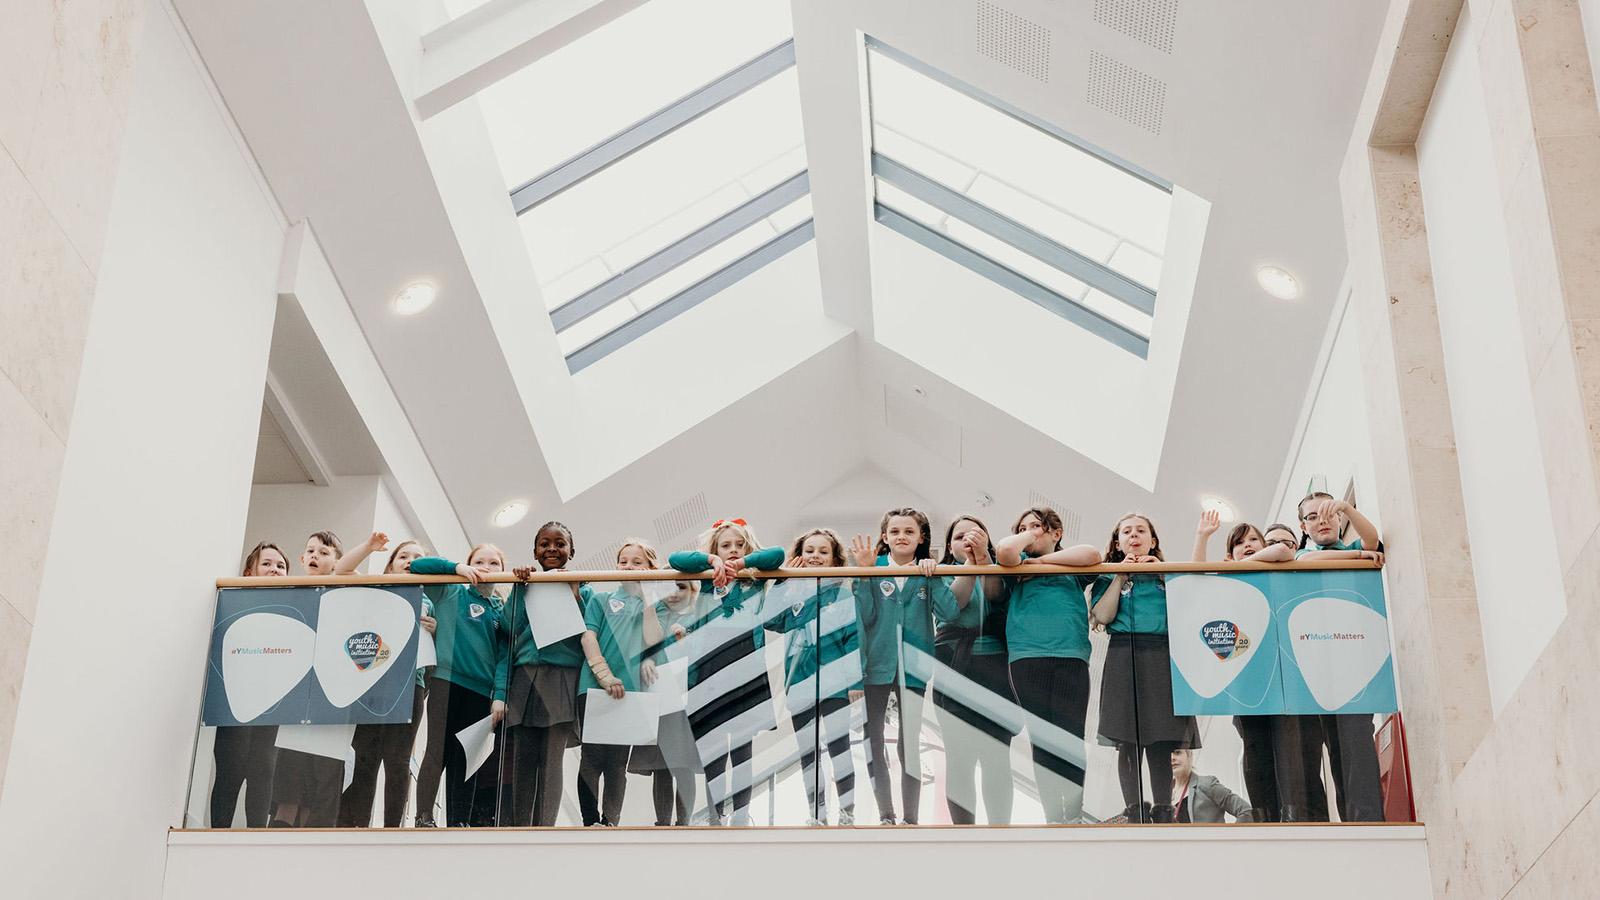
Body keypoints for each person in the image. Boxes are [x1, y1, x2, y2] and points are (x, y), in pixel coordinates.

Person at [1195, 516, 1325, 822]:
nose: (1247, 546)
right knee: (1256, 750)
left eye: (1252, 540)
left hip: (1283, 676)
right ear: (1229, 555)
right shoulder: (1226, 584)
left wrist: (1242, 562)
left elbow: (1283, 551)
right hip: (1247, 680)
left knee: (1290, 747)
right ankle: (1265, 814)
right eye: (1239, 544)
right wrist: (1203, 537)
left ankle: (1295, 812)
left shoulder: (1277, 567)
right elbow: (1194, 577)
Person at [669, 519, 785, 826]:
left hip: (745, 662)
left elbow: (778, 554)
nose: (733, 550)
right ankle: (715, 813)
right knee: (715, 743)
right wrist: (712, 562)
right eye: (726, 545)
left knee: (743, 744)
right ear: (716, 549)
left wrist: (743, 562)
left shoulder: (754, 580)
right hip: (711, 663)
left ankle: (742, 813)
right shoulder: (707, 580)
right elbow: (675, 560)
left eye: (739, 544)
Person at [994, 507, 1102, 825]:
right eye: (1023, 528)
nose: (1030, 531)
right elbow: (1005, 550)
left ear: (1056, 534)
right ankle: (1053, 816)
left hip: (1070, 656)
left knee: (1070, 738)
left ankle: (1074, 813)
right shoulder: (1014, 566)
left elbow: (1092, 553)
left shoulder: (1069, 566)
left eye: (1038, 527)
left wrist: (1041, 561)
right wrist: (1029, 536)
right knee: (1042, 739)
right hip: (1027, 657)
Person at [1089, 513, 1199, 824]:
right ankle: (1135, 808)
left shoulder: (1168, 575)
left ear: (1153, 541)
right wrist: (1122, 576)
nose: (1134, 535)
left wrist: (1164, 576)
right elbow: (1103, 616)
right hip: (1124, 653)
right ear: (1118, 541)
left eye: (1141, 531)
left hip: (1162, 653)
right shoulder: (1107, 575)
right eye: (1126, 531)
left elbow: (1189, 611)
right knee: (1127, 736)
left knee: (1162, 737)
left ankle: (1163, 808)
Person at [849, 507, 950, 825]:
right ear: (885, 537)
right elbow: (862, 617)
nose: (901, 536)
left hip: (914, 671)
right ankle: (886, 814)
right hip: (875, 667)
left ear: (921, 538)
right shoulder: (873, 566)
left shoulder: (927, 570)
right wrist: (864, 575)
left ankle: (911, 818)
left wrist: (935, 577)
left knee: (910, 744)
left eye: (909, 531)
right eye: (895, 531)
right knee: (873, 742)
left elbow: (949, 613)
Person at [334, 537, 437, 827]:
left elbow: (435, 658)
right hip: (371, 684)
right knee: (364, 756)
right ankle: (354, 824)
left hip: (410, 686)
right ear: (390, 565)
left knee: (398, 760)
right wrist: (367, 547)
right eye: (404, 556)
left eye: (418, 558)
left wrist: (434, 630)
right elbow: (341, 571)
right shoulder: (377, 589)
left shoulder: (430, 600)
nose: (410, 562)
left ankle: (393, 826)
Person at [1297, 492, 1385, 822]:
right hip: (1319, 664)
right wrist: (1361, 557)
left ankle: (1369, 818)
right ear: (1303, 526)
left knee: (1357, 737)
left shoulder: (1350, 549)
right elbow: (1303, 561)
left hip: (1355, 658)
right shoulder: (1307, 556)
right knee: (1335, 746)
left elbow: (1373, 539)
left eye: (1330, 514)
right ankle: (1350, 818)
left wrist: (1348, 509)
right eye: (1313, 517)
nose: (1323, 520)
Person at [407, 545, 511, 827]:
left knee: (466, 760)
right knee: (436, 750)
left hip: (481, 692)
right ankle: (424, 816)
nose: (486, 566)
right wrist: (457, 569)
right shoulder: (451, 591)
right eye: (479, 561)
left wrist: (499, 695)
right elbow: (417, 567)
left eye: (493, 562)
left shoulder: (503, 612)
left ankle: (459, 822)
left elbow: (505, 659)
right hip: (446, 682)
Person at [771, 528, 862, 826]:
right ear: (799, 557)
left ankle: (847, 812)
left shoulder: (842, 593)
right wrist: (783, 582)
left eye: (823, 552)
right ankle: (816, 813)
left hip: (835, 686)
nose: (815, 556)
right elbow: (772, 621)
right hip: (800, 685)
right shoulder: (793, 595)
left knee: (839, 747)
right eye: (809, 551)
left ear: (835, 559)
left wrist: (855, 683)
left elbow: (853, 640)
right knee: (808, 754)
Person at [575, 540, 668, 827]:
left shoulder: (656, 607)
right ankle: (589, 821)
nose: (628, 566)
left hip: (631, 692)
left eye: (636, 562)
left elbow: (653, 639)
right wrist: (604, 676)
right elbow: (588, 637)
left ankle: (610, 822)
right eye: (623, 561)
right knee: (590, 758)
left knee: (616, 764)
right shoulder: (600, 599)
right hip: (593, 686)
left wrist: (648, 597)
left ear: (650, 569)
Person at [931, 515, 1017, 825]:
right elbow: (955, 603)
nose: (967, 540)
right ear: (949, 546)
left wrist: (983, 558)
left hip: (996, 667)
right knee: (958, 755)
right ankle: (963, 831)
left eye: (975, 534)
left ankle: (999, 829)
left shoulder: (1003, 571)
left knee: (997, 753)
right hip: (953, 664)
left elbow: (995, 594)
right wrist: (971, 562)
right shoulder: (938, 574)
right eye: (959, 537)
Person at [501, 522, 587, 826]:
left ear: (571, 551)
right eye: (544, 544)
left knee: (552, 757)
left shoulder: (585, 586)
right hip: (526, 677)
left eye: (560, 543)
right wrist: (519, 588)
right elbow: (508, 627)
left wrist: (575, 593)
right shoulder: (526, 586)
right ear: (535, 551)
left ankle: (546, 828)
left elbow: (588, 634)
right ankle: (521, 827)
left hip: (562, 676)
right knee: (523, 757)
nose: (552, 549)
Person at [269, 531, 352, 827]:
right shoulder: (290, 593)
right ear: (302, 559)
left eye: (325, 552)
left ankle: (313, 837)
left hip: (331, 697)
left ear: (338, 562)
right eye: (311, 551)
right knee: (289, 776)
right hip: (295, 694)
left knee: (324, 775)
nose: (315, 556)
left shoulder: (347, 591)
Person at [209, 542, 287, 827]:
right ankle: (217, 837)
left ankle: (257, 838)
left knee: (264, 770)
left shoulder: (292, 611)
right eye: (267, 564)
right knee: (230, 770)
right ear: (250, 570)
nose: (274, 570)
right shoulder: (233, 602)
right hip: (234, 701)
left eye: (280, 566)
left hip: (271, 704)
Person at [628, 579, 706, 826]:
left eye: (681, 586)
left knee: (682, 764)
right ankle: (662, 823)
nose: (673, 593)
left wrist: (685, 639)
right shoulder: (655, 615)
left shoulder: (699, 615)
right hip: (659, 698)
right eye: (667, 588)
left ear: (694, 590)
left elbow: (702, 652)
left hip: (686, 700)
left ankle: (684, 823)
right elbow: (644, 646)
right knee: (660, 765)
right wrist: (646, 660)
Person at [1170, 749, 1252, 823]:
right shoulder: (1165, 794)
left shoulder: (1207, 784)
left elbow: (1245, 811)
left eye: (1177, 752)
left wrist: (1230, 837)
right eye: (1168, 755)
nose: (1172, 758)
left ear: (1190, 754)